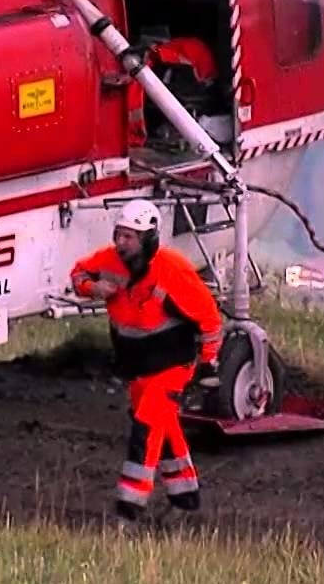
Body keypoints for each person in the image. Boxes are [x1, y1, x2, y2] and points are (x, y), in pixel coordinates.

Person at [70, 199, 224, 520]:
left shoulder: (173, 270)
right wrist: (92, 288)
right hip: (138, 368)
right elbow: (79, 272)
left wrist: (209, 365)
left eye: (130, 237)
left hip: (172, 366)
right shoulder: (109, 260)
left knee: (146, 428)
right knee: (164, 427)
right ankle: (185, 500)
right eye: (119, 234)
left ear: (148, 238)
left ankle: (128, 509)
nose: (121, 242)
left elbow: (209, 319)